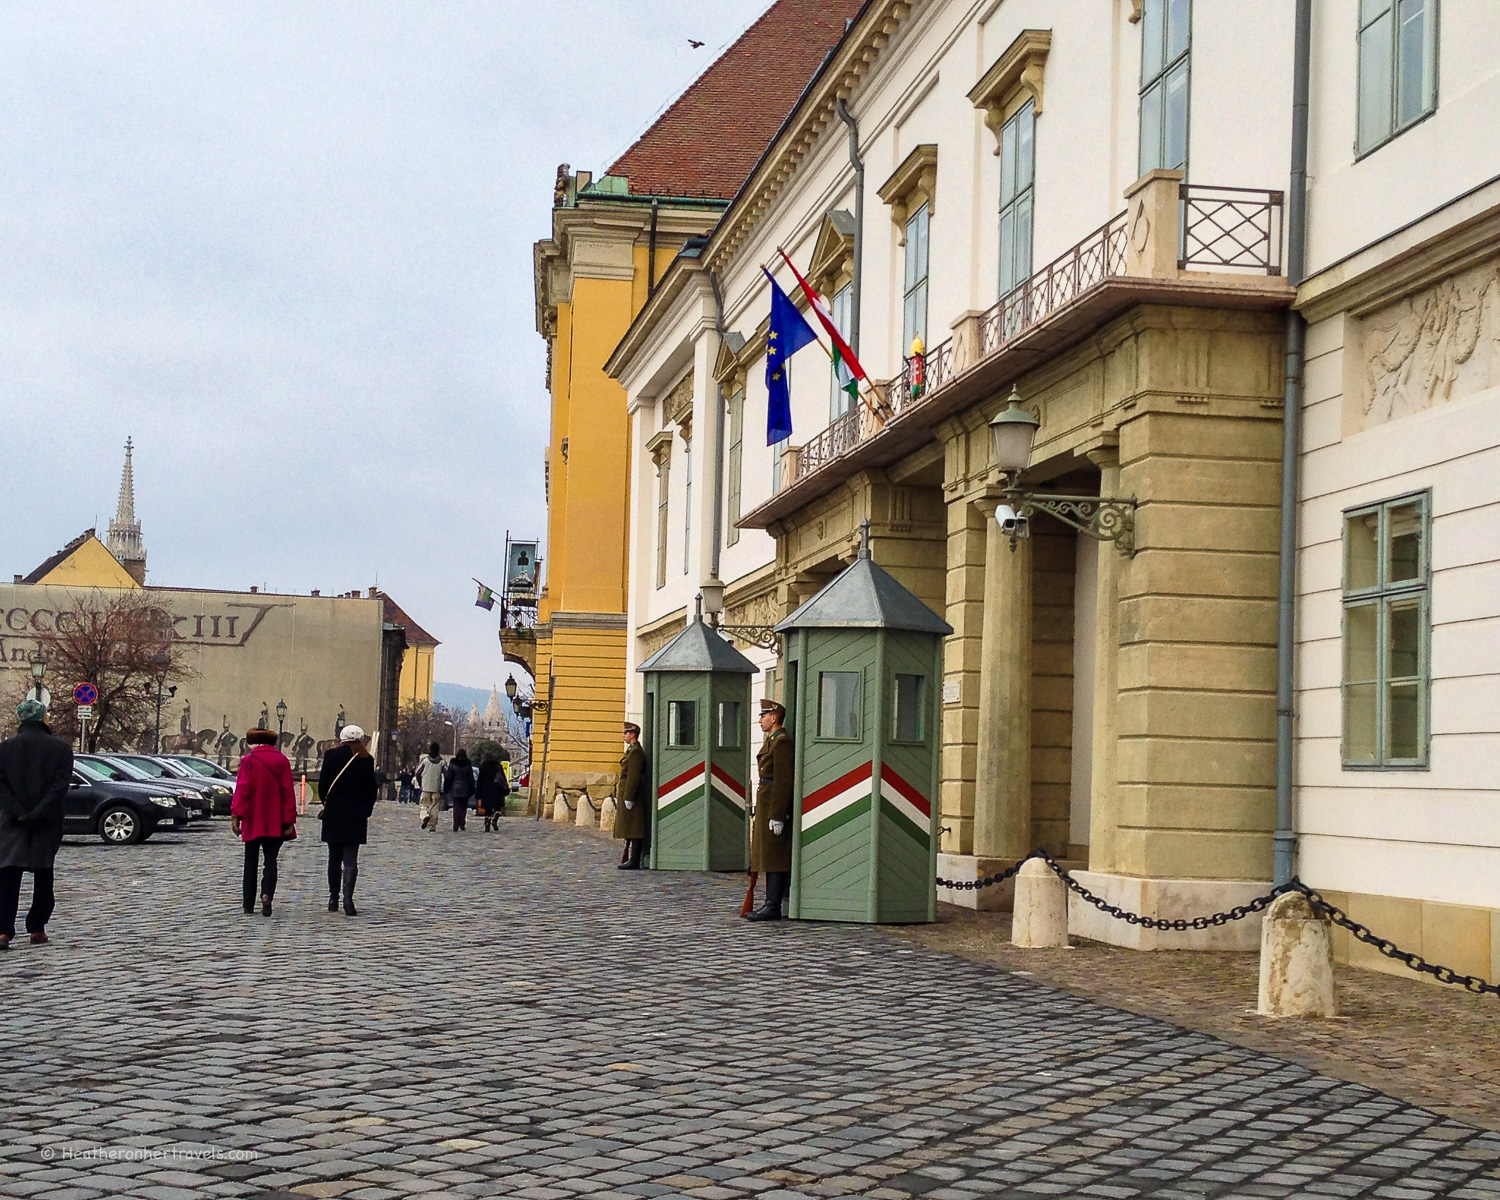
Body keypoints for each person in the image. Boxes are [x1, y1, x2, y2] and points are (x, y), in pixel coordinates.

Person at [0, 699, 72, 949]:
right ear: (44, 719)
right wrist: (40, 812)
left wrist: (17, 812)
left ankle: (3, 931)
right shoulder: (61, 748)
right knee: (43, 875)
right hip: (47, 821)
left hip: (11, 822)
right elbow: (59, 786)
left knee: (7, 876)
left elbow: (1, 786)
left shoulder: (4, 749)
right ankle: (37, 928)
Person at [230, 727, 296, 916]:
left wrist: (236, 816)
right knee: (271, 861)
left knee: (250, 861)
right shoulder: (281, 760)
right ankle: (266, 895)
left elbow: (243, 789)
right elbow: (287, 792)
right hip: (276, 819)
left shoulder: (248, 761)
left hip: (253, 818)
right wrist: (289, 819)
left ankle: (248, 903)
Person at [318, 725, 378, 916]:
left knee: (333, 858)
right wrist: (366, 811)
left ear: (342, 738)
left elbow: (322, 785)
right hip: (355, 815)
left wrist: (326, 803)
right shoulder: (366, 760)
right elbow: (371, 790)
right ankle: (348, 900)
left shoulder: (331, 756)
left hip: (334, 814)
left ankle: (333, 898)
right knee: (351, 860)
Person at [746, 699, 794, 922]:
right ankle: (769, 902)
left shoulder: (782, 743)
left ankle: (773, 905)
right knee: (767, 854)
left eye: (763, 716)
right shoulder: (773, 741)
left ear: (773, 717)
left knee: (775, 856)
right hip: (766, 801)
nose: (760, 720)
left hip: (773, 803)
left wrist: (777, 814)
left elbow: (783, 781)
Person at [614, 722, 649, 870]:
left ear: (632, 735)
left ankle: (634, 859)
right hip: (627, 791)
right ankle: (632, 858)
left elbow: (633, 777)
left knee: (635, 827)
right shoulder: (631, 750)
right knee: (631, 827)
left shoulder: (635, 752)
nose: (624, 736)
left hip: (631, 793)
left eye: (626, 733)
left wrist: (629, 797)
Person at [476, 753, 510, 831]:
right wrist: (506, 788)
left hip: (486, 790)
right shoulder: (498, 766)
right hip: (497, 789)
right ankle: (496, 816)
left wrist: (478, 793)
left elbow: (480, 781)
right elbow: (503, 778)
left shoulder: (483, 767)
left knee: (488, 809)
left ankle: (487, 822)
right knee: (498, 807)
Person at [443, 748, 475, 832]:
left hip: (455, 787)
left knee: (456, 807)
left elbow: (449, 776)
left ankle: (456, 824)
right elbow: (471, 777)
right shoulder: (468, 764)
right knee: (463, 807)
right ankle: (462, 823)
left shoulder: (453, 764)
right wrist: (472, 788)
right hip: (465, 787)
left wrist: (447, 787)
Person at [414, 743, 444, 831]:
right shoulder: (442, 762)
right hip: (436, 787)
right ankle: (432, 825)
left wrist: (420, 783)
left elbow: (417, 772)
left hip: (426, 787)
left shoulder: (425, 760)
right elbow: (446, 772)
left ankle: (425, 816)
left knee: (423, 804)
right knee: (434, 806)